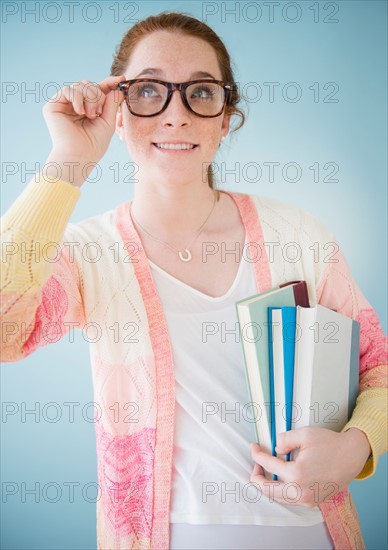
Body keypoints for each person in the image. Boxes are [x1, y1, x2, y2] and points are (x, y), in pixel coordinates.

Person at [1, 11, 386, 550]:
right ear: (118, 111)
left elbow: (379, 367)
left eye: (200, 94)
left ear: (225, 120)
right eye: (150, 91)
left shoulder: (297, 234)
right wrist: (68, 161)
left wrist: (358, 446)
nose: (176, 115)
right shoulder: (90, 253)